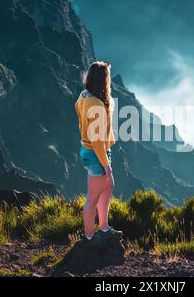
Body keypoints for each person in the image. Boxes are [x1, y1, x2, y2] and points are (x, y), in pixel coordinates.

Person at [75, 61, 123, 247]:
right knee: (92, 198)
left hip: (94, 150)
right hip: (96, 153)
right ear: (103, 80)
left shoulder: (85, 96)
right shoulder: (95, 104)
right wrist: (106, 165)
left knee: (108, 186)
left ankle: (103, 228)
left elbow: (77, 107)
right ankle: (88, 238)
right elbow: (96, 142)